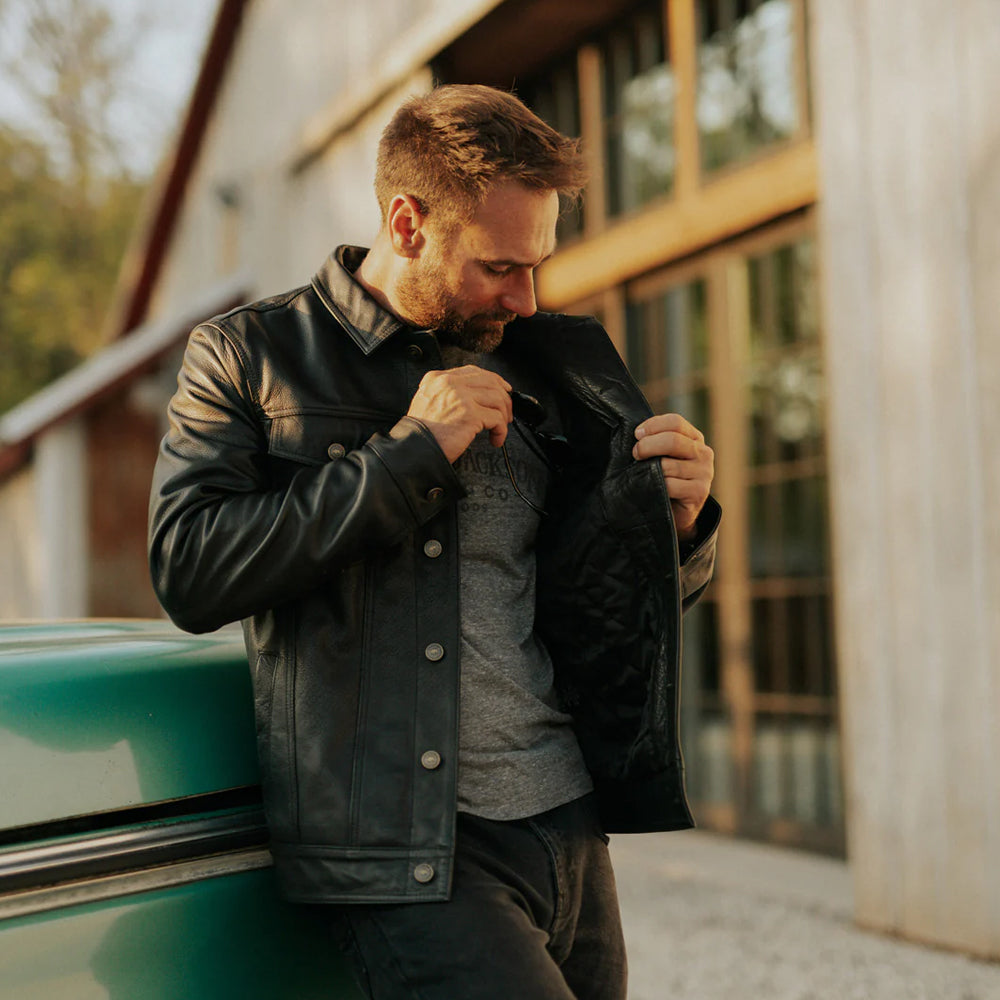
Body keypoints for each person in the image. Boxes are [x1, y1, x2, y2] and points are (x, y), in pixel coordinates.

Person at [148, 83, 720, 1000]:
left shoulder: (549, 363)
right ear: (408, 224)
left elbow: (595, 601)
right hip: (408, 850)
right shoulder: (251, 356)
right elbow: (191, 569)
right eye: (499, 266)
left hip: (569, 825)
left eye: (536, 265)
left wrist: (676, 529)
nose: (525, 298)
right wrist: (409, 454)